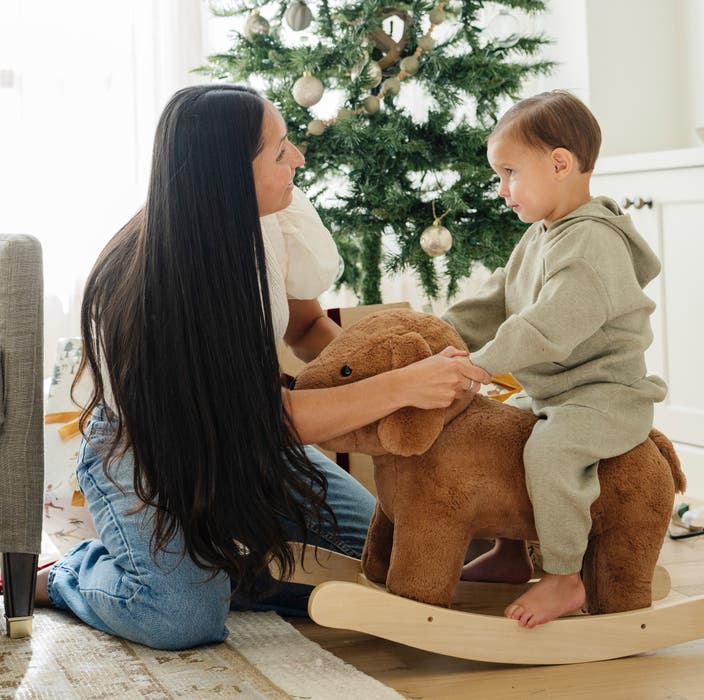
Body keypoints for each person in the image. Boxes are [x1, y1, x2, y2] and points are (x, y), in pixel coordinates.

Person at [39, 84, 490, 649]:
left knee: (388, 557)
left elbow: (304, 330)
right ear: (229, 174)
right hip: (148, 453)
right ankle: (72, 574)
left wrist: (381, 370)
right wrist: (403, 387)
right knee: (183, 621)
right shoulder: (153, 280)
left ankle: (228, 571)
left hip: (250, 451)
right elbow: (263, 422)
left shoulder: (273, 217)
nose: (298, 157)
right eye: (280, 151)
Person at [445, 90, 667, 628]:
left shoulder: (591, 243)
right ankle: (510, 551)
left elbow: (548, 328)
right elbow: (498, 299)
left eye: (509, 173)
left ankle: (563, 576)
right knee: (491, 433)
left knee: (549, 453)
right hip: (552, 392)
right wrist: (440, 334)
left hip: (602, 396)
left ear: (560, 163)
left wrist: (482, 363)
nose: (502, 190)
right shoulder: (539, 236)